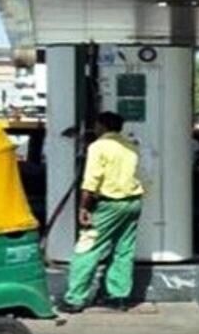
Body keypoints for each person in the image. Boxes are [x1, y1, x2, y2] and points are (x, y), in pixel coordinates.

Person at [57, 111, 144, 314]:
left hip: (109, 204)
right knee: (124, 250)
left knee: (87, 247)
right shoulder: (130, 146)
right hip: (133, 202)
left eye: (96, 125)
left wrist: (84, 208)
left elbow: (91, 181)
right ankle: (118, 297)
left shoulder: (98, 147)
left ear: (101, 126)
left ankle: (75, 299)